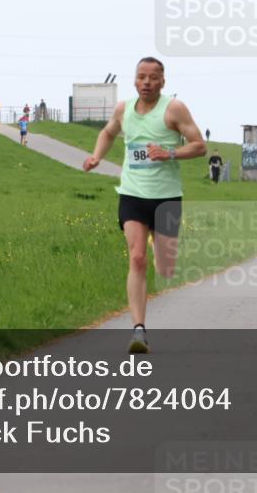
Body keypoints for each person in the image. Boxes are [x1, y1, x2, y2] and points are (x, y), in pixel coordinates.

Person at [83, 57, 206, 353]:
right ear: (135, 81)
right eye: (141, 77)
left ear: (163, 82)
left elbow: (199, 145)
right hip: (133, 194)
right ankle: (138, 329)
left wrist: (170, 153)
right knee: (136, 258)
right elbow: (108, 132)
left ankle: (159, 246)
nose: (147, 82)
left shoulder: (173, 109)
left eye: (153, 78)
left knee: (164, 267)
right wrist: (97, 156)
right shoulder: (124, 109)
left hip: (166, 197)